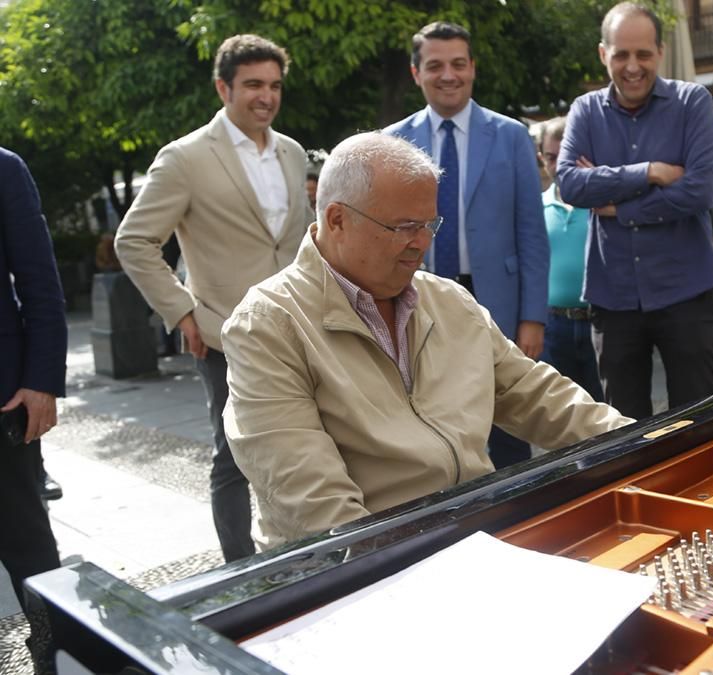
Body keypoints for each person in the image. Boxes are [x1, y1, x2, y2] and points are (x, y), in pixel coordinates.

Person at [222, 132, 630, 548]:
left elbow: (539, 396)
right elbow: (317, 509)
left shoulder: (447, 300)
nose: (422, 243)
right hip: (364, 575)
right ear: (337, 220)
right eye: (403, 227)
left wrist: (642, 444)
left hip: (471, 540)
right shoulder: (268, 324)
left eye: (429, 224)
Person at [115, 34, 311, 563]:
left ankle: (302, 552)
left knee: (307, 446)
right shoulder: (184, 158)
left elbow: (293, 241)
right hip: (224, 333)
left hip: (297, 329)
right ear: (223, 87)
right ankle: (240, 571)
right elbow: (133, 241)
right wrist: (181, 310)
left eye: (273, 85)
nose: (265, 96)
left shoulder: (292, 153)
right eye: (252, 85)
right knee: (233, 459)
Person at [385, 21, 548, 469]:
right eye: (435, 65)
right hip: (420, 301)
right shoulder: (392, 142)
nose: (449, 75)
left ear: (473, 68)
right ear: (417, 73)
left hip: (497, 300)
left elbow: (531, 231)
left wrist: (533, 317)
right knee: (434, 418)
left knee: (509, 419)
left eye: (459, 64)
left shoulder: (511, 135)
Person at [557, 2, 713, 420]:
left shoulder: (692, 103)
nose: (633, 66)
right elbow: (570, 184)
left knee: (698, 421)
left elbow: (700, 192)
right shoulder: (585, 110)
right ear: (603, 54)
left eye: (643, 54)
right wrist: (648, 172)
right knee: (622, 430)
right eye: (621, 55)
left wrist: (618, 207)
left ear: (660, 53)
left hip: (685, 293)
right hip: (613, 299)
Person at [0, 148, 64, 632]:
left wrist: (41, 382)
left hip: (4, 401)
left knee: (29, 551)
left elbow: (41, 283)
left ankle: (54, 655)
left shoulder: (5, 169)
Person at [538, 117, 604, 401]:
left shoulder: (602, 205)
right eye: (551, 157)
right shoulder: (536, 205)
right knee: (560, 413)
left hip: (599, 323)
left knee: (604, 411)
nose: (557, 166)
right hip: (552, 326)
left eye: (566, 157)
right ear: (541, 158)